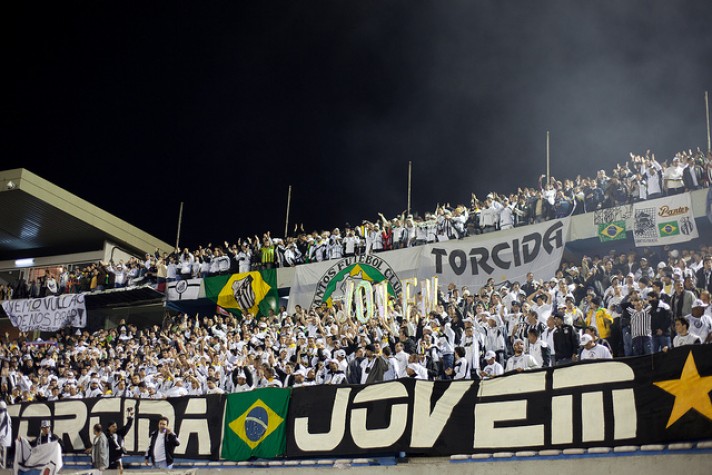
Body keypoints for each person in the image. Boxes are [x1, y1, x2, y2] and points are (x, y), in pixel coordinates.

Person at [107, 407, 134, 473]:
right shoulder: (106, 437)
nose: (115, 427)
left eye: (116, 426)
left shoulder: (119, 434)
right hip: (108, 460)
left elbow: (127, 426)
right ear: (109, 428)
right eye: (113, 426)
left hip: (118, 460)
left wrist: (130, 416)